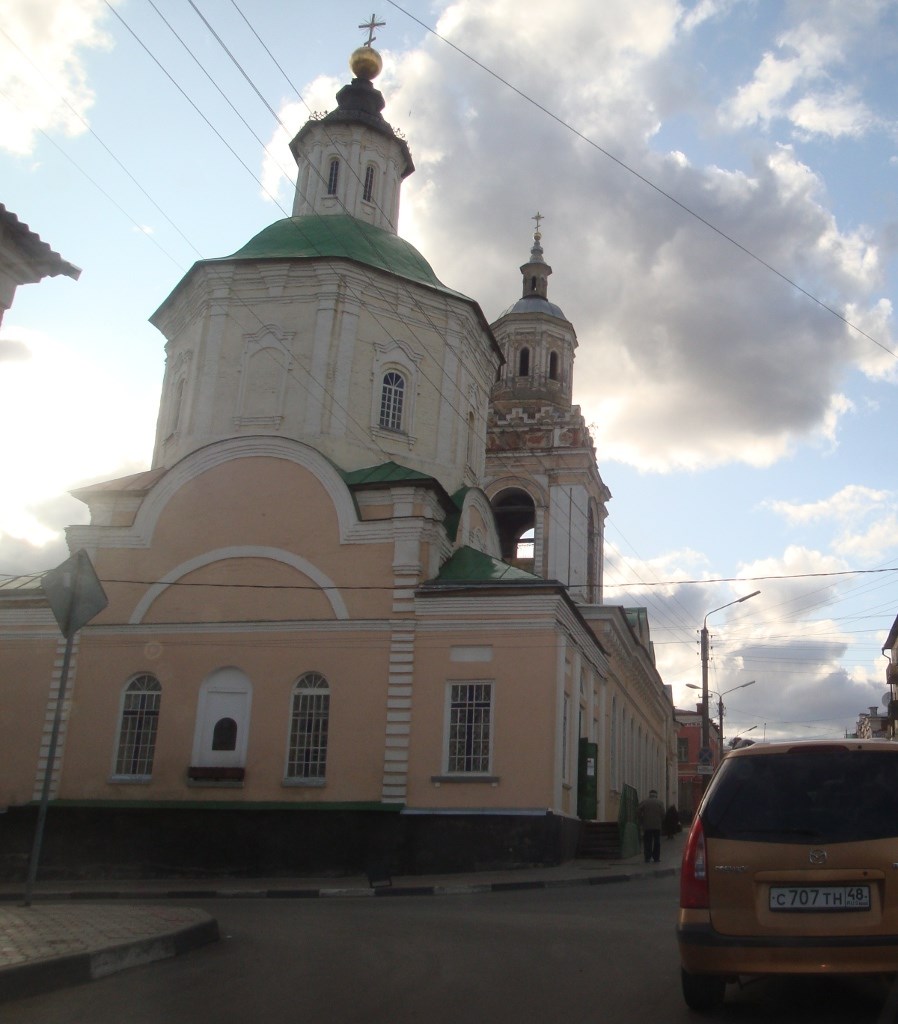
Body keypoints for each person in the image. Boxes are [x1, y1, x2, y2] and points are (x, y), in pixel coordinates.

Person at [638, 788, 665, 863]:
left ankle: (647, 857)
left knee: (647, 842)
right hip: (657, 825)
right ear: (656, 795)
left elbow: (638, 810)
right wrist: (660, 820)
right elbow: (663, 813)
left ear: (649, 795)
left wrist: (641, 819)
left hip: (647, 825)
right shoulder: (660, 803)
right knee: (657, 842)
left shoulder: (644, 802)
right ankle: (656, 858)